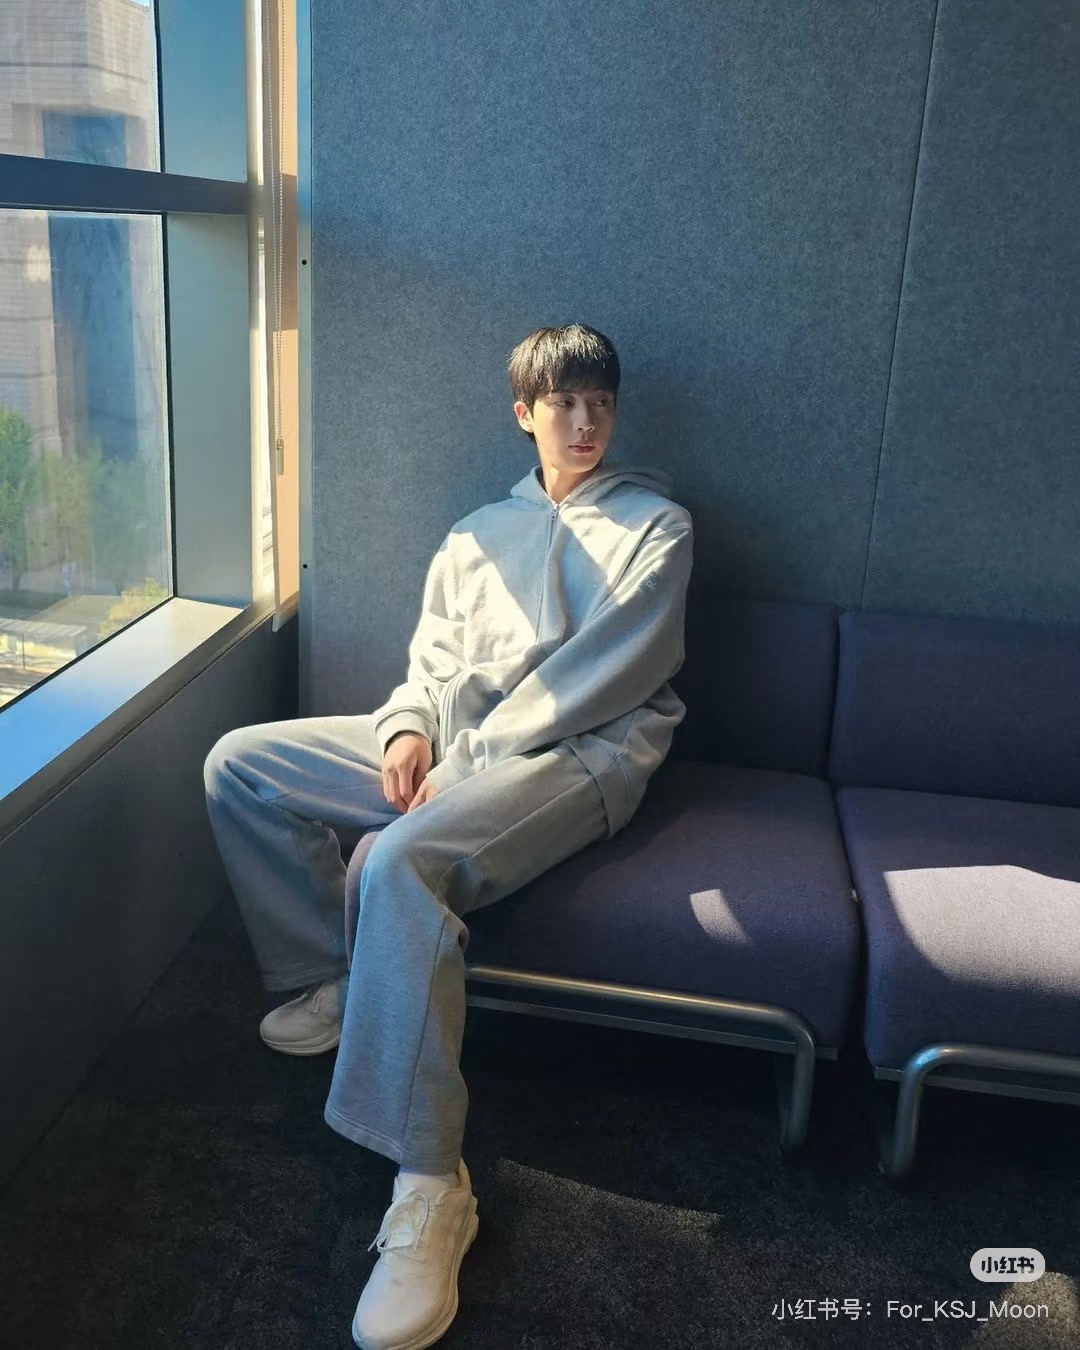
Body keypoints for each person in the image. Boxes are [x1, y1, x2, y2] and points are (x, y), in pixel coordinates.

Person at [202, 323, 693, 1350]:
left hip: (582, 757)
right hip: (458, 749)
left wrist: (465, 763)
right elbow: (430, 662)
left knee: (395, 862)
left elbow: (602, 678)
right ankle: (337, 977)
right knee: (241, 763)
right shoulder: (475, 533)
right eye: (564, 403)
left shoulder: (657, 527)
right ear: (524, 414)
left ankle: (432, 1182)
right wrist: (408, 730)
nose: (587, 421)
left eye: (601, 401)